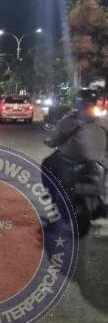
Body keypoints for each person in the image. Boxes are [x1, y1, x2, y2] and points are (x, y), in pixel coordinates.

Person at [45, 89, 108, 237]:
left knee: (47, 165)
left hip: (72, 162)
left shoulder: (67, 121)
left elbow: (55, 140)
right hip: (96, 163)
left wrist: (50, 142)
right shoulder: (104, 122)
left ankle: (53, 197)